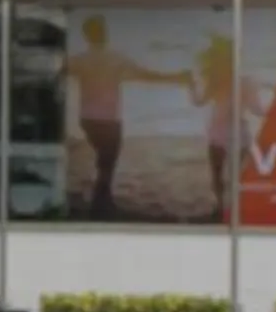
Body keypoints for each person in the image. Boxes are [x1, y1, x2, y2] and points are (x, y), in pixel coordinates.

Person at [61, 16, 189, 220]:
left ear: (87, 36)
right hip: (109, 120)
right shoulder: (116, 59)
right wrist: (176, 77)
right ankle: (100, 205)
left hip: (87, 120)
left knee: (103, 161)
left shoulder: (79, 60)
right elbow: (147, 75)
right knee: (107, 164)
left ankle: (101, 201)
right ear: (104, 34)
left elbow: (59, 72)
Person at [192, 33, 269, 224]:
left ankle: (220, 208)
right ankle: (232, 210)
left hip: (219, 133)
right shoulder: (246, 82)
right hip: (238, 134)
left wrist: (190, 86)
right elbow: (257, 110)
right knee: (236, 177)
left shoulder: (216, 81)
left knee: (218, 175)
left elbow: (199, 102)